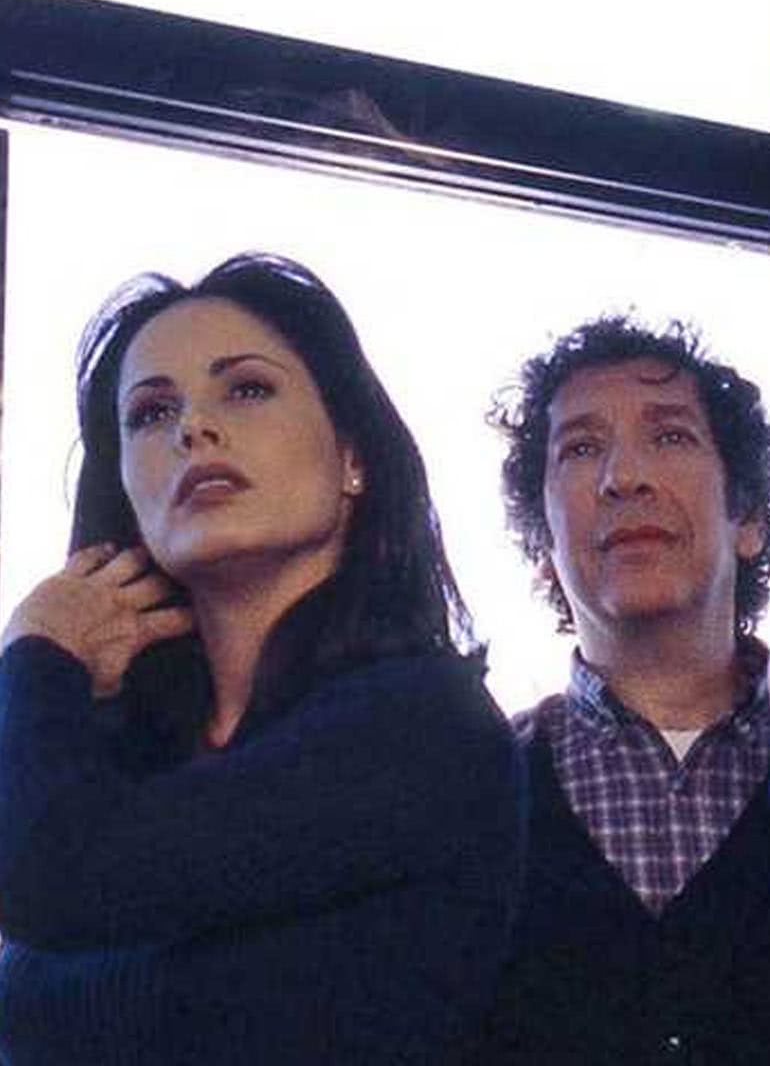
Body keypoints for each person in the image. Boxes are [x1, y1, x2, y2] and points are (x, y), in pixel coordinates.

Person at [0, 253, 524, 1065]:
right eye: (150, 412)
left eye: (246, 389)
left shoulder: (428, 722)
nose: (193, 428)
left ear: (353, 458)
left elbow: (59, 882)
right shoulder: (103, 762)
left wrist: (36, 653)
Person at [478, 315, 770, 1065]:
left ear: (750, 521)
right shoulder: (470, 796)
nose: (624, 477)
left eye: (670, 436)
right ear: (542, 550)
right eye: (580, 449)